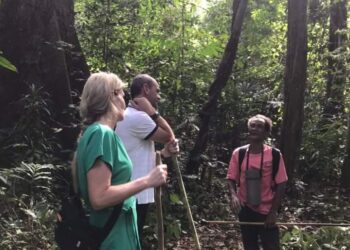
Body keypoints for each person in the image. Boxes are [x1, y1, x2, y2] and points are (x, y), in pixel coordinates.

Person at [74, 72, 168, 250]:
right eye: (122, 93)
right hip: (112, 236)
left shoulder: (94, 134)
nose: (125, 98)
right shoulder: (102, 134)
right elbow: (99, 197)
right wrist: (147, 180)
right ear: (113, 95)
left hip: (114, 230)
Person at [115, 73, 179, 241]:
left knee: (131, 239)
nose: (158, 97)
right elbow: (169, 135)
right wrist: (152, 112)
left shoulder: (130, 116)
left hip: (133, 190)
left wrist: (164, 154)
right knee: (130, 240)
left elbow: (137, 151)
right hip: (134, 193)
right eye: (156, 91)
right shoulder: (138, 117)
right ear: (146, 89)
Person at [226, 114, 288, 250]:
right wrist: (234, 195)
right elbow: (231, 178)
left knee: (271, 246)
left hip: (267, 211)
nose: (255, 129)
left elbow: (281, 184)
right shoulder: (239, 153)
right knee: (250, 246)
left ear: (266, 132)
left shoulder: (274, 154)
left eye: (259, 126)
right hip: (246, 209)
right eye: (252, 126)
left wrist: (273, 212)